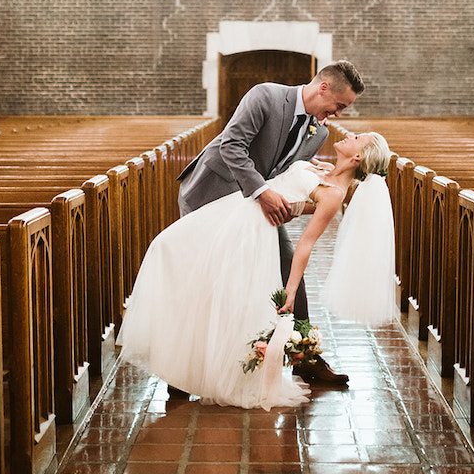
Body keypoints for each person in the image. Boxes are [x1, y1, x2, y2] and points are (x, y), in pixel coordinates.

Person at [116, 130, 395, 411]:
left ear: (358, 157)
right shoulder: (325, 172)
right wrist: (321, 169)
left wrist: (291, 289)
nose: (350, 135)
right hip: (235, 212)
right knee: (169, 249)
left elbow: (306, 243)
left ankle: (194, 371)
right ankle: (182, 366)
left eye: (358, 137)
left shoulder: (333, 194)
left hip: (249, 232)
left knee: (206, 284)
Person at [175, 60, 365, 385]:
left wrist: (297, 189)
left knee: (287, 261)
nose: (339, 113)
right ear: (323, 88)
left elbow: (285, 167)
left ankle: (305, 355)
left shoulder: (319, 132)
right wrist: (263, 192)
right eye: (340, 105)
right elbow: (232, 145)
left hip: (252, 205)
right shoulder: (265, 96)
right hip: (214, 191)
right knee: (209, 278)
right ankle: (181, 371)